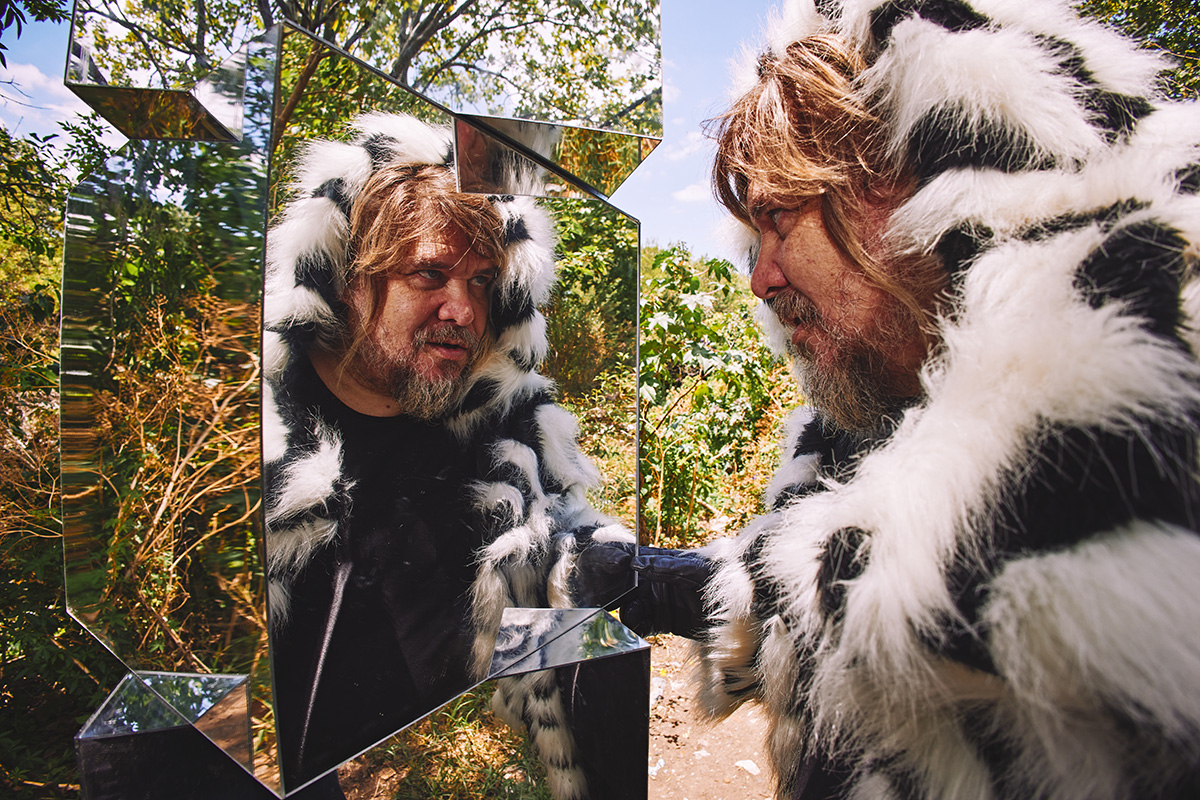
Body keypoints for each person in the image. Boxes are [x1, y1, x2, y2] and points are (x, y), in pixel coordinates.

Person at [608, 0, 1200, 798]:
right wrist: (637, 577)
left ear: (908, 176)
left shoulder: (1158, 395)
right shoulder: (870, 425)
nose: (760, 279)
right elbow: (799, 579)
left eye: (779, 217)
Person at [261, 112, 633, 794]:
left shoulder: (505, 435)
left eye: (482, 282)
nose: (462, 310)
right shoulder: (255, 444)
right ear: (347, 280)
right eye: (430, 274)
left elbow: (571, 559)